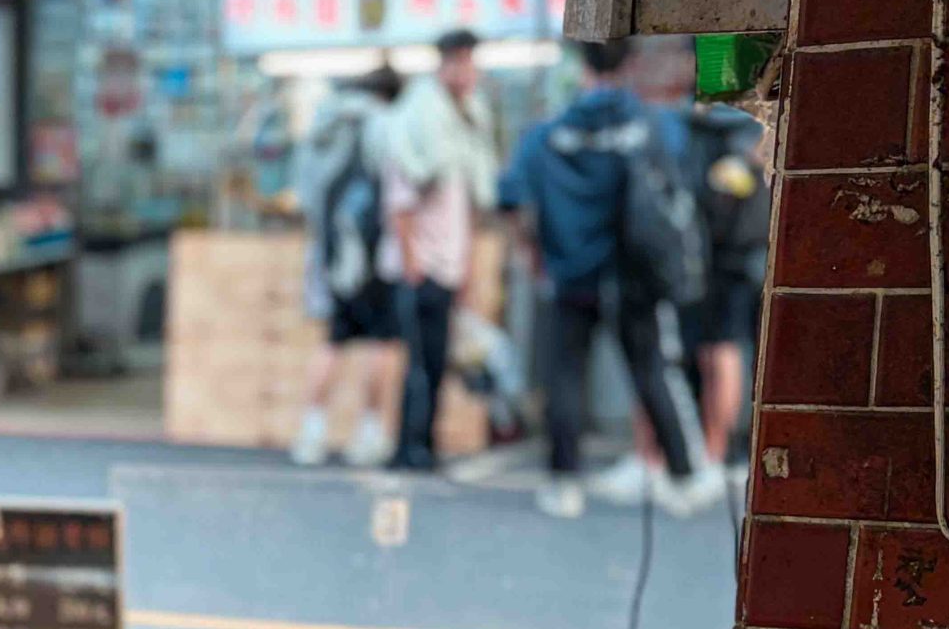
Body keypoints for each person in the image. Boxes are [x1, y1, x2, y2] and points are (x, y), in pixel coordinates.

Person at [505, 42, 717, 520]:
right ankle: (682, 475)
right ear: (630, 65)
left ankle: (564, 483)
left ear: (582, 68)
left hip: (569, 275)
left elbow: (513, 198)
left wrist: (533, 255)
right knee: (651, 370)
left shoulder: (548, 132)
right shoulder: (652, 124)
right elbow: (677, 193)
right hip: (634, 276)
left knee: (565, 377)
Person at [380, 30, 496, 472]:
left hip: (447, 264)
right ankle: (408, 448)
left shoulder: (465, 123)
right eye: (458, 62)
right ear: (442, 65)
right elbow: (400, 201)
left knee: (434, 361)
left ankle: (424, 444)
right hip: (420, 265)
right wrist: (412, 262)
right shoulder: (417, 119)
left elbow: (467, 208)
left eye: (470, 62)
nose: (465, 71)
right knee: (418, 365)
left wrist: (465, 266)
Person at [290, 66, 402, 469]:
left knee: (333, 340)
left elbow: (305, 196)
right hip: (374, 256)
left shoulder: (326, 126)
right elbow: (402, 190)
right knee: (382, 342)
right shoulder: (388, 124)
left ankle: (311, 434)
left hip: (332, 256)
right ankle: (370, 434)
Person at [680, 100, 770, 477]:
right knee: (755, 358)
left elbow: (714, 211)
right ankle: (738, 451)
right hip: (760, 259)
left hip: (727, 265)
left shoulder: (720, 144)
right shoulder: (761, 135)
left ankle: (719, 452)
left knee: (722, 354)